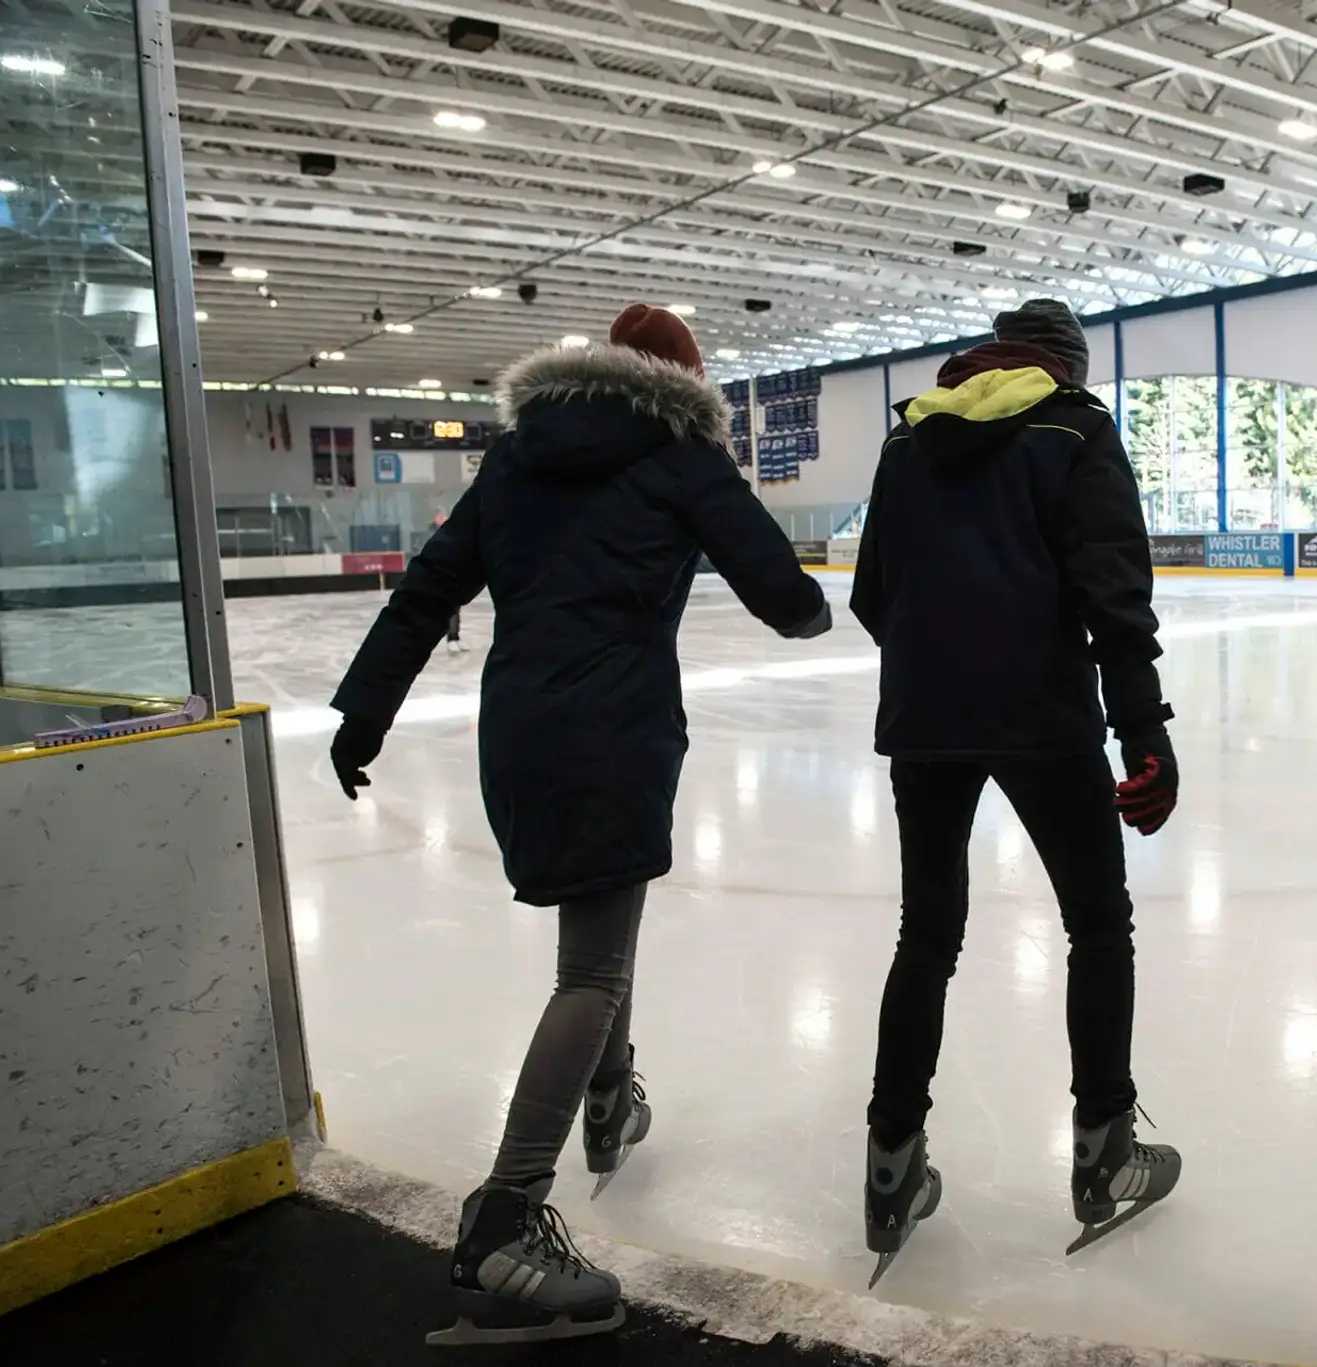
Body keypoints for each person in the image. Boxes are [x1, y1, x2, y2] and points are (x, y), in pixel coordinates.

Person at [327, 304, 830, 1345]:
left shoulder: (516, 458)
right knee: (592, 967)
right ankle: (503, 1225)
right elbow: (783, 597)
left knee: (604, 928)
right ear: (684, 381)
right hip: (618, 727)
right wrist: (810, 606)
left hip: (518, 729)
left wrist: (360, 712)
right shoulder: (679, 452)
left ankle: (609, 1095)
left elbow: (425, 594)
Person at [849, 298, 1181, 1283]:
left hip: (925, 715)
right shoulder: (1076, 428)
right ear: (1065, 366)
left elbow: (872, 589)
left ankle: (888, 1163)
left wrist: (937, 663)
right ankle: (1104, 1148)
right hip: (1041, 713)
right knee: (1095, 922)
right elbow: (1111, 593)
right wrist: (1143, 733)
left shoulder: (908, 438)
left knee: (926, 930)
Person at [429, 508, 465, 651]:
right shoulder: (434, 534)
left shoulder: (450, 533)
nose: (444, 519)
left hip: (454, 574)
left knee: (456, 609)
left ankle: (455, 637)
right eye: (441, 517)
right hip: (441, 576)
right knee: (449, 610)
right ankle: (450, 639)